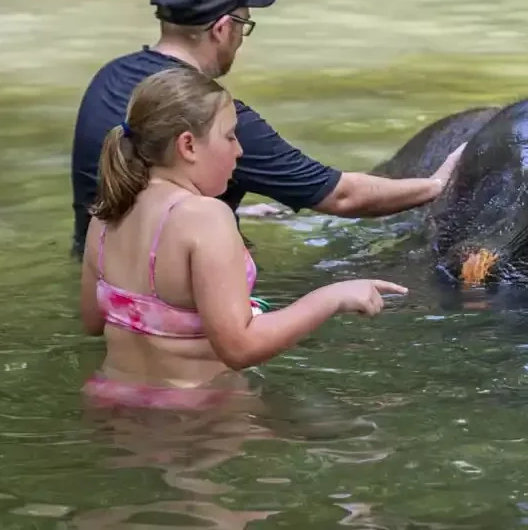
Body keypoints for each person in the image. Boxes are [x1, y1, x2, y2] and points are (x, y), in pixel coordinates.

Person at [69, 0, 465, 258]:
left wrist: (226, 207)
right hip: (183, 293)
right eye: (244, 24)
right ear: (223, 29)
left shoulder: (109, 77)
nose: (242, 38)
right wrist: (436, 185)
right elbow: (342, 196)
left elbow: (137, 192)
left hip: (108, 278)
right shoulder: (212, 117)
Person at [79, 66, 408, 409]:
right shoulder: (205, 217)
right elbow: (240, 348)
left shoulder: (105, 215)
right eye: (230, 136)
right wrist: (331, 297)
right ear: (188, 145)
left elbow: (92, 321)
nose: (239, 151)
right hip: (198, 416)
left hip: (111, 404)